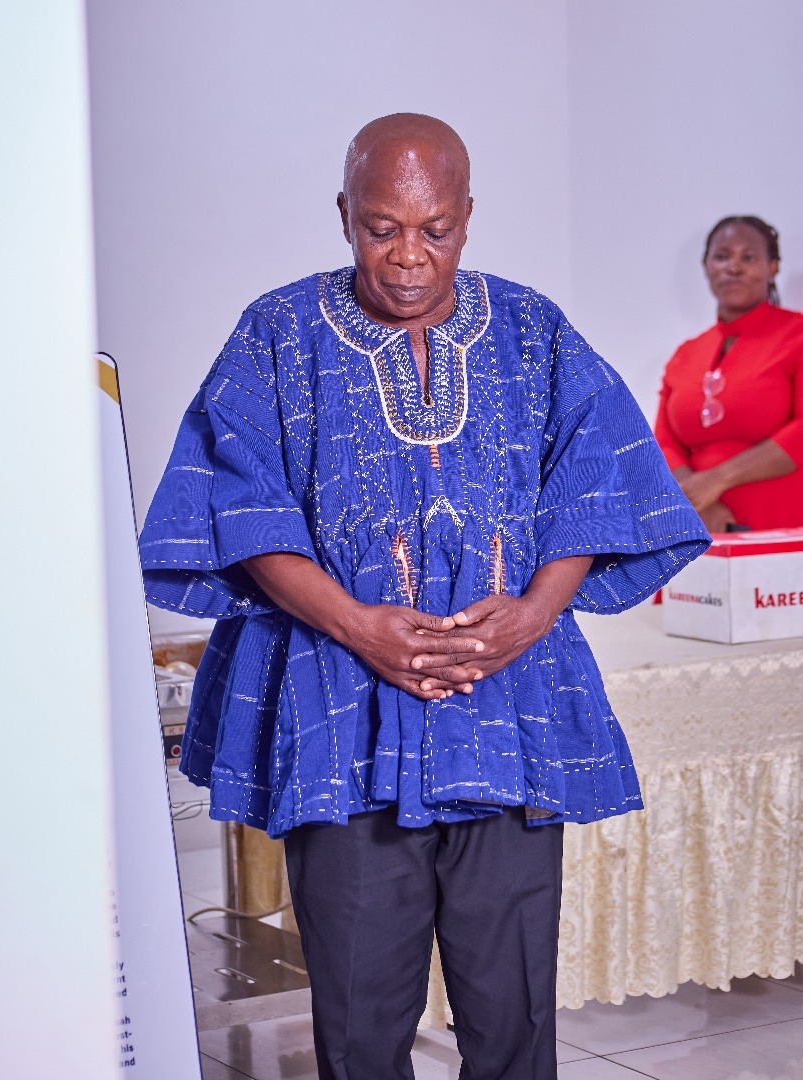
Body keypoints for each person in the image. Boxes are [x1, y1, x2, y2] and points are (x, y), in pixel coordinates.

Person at [140, 114, 708, 1080]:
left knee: (512, 1012)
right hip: (341, 709)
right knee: (360, 1023)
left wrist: (533, 614)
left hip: (506, 710)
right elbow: (243, 511)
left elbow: (598, 483)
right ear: (344, 215)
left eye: (435, 229)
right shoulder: (276, 332)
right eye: (381, 228)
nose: (408, 255)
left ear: (468, 217)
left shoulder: (531, 330)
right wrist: (359, 627)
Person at [654, 215, 803, 533]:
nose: (733, 267)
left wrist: (717, 480)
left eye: (748, 257)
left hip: (783, 528)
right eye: (722, 256)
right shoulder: (685, 354)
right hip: (699, 531)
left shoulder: (797, 335)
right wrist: (695, 499)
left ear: (772, 267)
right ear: (706, 266)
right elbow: (664, 442)